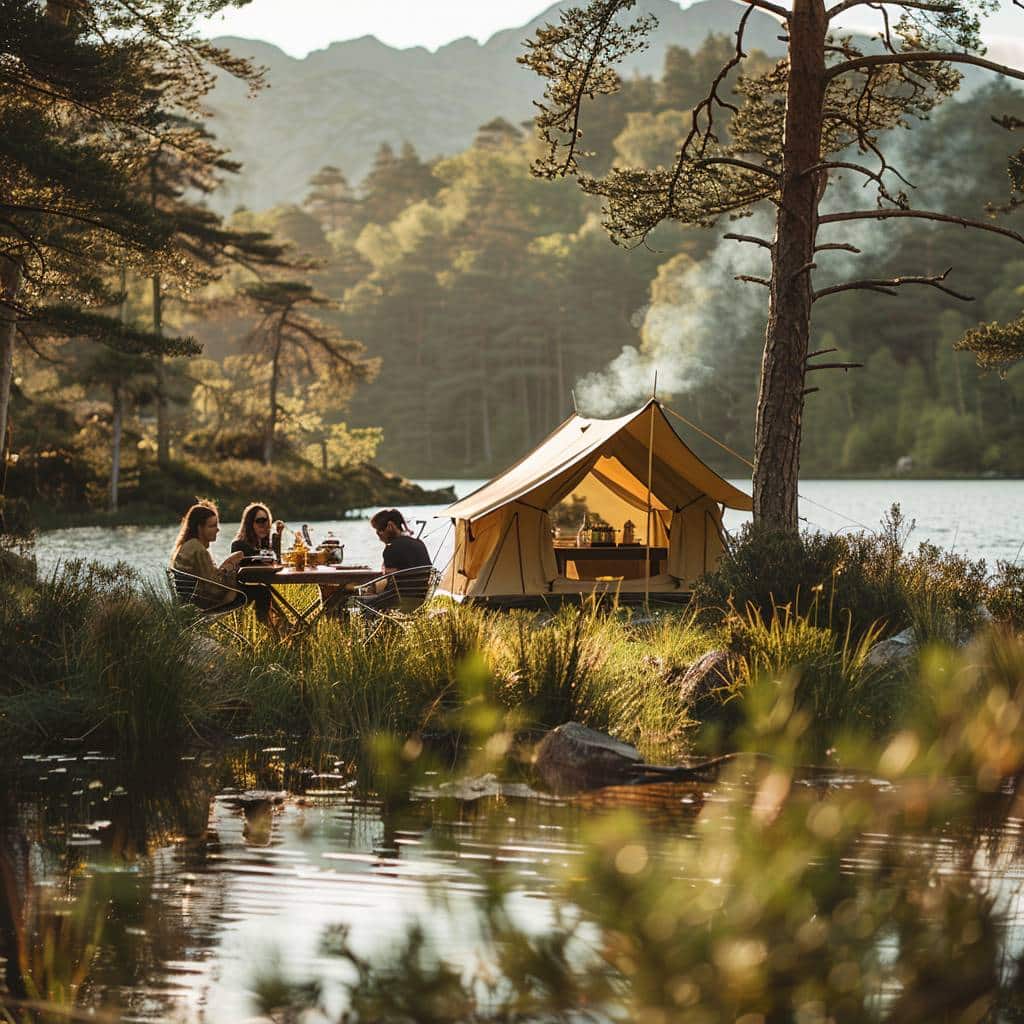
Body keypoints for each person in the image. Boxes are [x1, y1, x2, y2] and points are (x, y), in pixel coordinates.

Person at [170, 501, 246, 610]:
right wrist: (229, 571)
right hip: (202, 604)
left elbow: (207, 580)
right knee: (247, 592)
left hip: (191, 601)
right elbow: (214, 589)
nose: (218, 529)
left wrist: (225, 567)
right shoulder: (198, 550)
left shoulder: (189, 545)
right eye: (212, 526)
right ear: (199, 528)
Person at [354, 509, 432, 612]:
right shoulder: (419, 543)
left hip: (400, 600)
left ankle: (369, 627)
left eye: (379, 530)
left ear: (390, 526)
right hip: (420, 600)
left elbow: (388, 582)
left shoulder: (391, 548)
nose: (379, 536)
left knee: (357, 600)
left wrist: (371, 588)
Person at [231, 503, 286, 623]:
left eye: (267, 521)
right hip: (238, 592)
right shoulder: (239, 544)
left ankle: (277, 627)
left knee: (264, 591)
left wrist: (278, 537)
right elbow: (255, 564)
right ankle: (269, 628)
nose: (265, 524)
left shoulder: (261, 544)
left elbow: (275, 561)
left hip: (256, 588)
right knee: (263, 592)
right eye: (260, 520)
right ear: (249, 523)